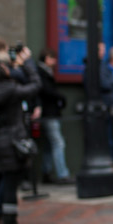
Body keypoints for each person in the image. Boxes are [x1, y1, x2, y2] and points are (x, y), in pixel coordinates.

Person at [0, 41, 40, 224]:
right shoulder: (11, 88)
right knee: (10, 184)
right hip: (12, 141)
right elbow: (35, 85)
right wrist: (26, 63)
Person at [37, 49, 73, 184]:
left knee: (49, 144)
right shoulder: (41, 72)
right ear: (46, 58)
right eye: (52, 58)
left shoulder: (45, 72)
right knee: (58, 142)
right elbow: (46, 91)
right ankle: (62, 174)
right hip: (48, 113)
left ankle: (47, 171)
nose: (55, 62)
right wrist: (61, 97)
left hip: (50, 112)